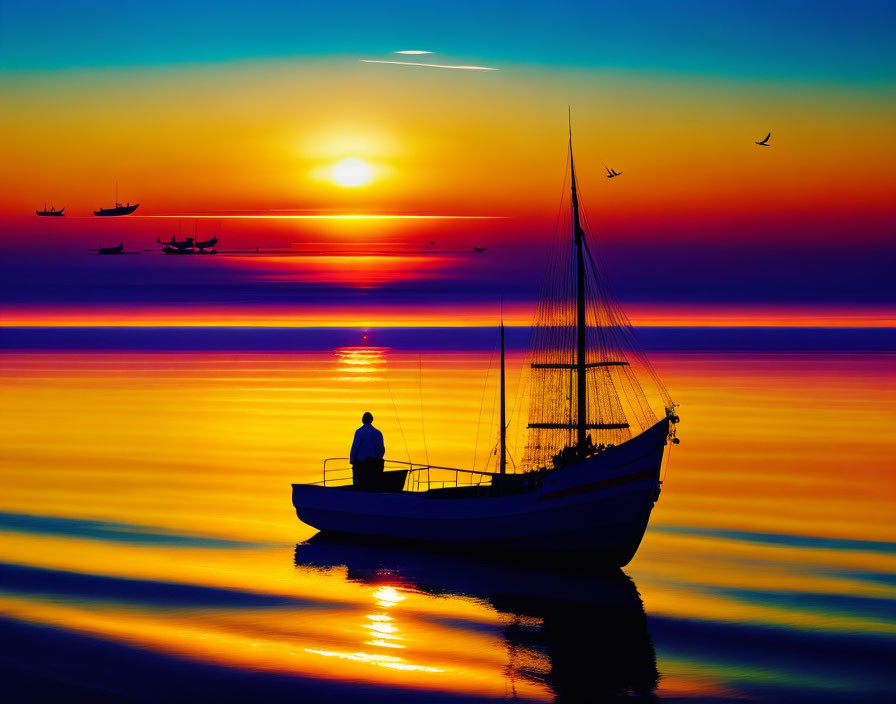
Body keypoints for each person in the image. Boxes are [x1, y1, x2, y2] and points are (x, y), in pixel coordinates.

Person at [350, 411, 385, 491]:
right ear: (371, 420)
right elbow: (381, 450)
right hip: (375, 466)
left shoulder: (359, 432)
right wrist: (379, 458)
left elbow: (355, 447)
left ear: (363, 420)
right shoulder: (378, 433)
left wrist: (352, 460)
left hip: (361, 466)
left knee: (359, 487)